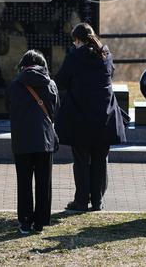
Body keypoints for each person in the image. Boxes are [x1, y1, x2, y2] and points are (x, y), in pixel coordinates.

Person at [54, 23, 126, 212]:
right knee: (100, 160)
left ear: (77, 40)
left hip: (80, 116)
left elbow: (61, 80)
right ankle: (97, 201)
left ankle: (81, 201)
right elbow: (110, 74)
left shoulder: (75, 57)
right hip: (106, 116)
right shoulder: (106, 55)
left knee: (81, 160)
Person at [7, 49, 59, 234]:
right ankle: (41, 222)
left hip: (22, 140)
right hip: (44, 139)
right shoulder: (50, 84)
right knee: (44, 182)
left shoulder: (15, 85)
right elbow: (54, 110)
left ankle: (25, 221)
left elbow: (10, 109)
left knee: (24, 182)